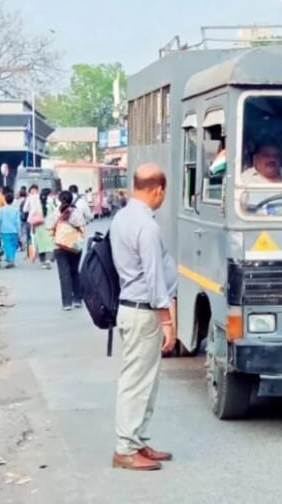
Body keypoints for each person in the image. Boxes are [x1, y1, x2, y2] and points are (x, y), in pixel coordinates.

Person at [110, 163, 177, 471]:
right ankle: (125, 448)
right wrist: (167, 321)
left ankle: (136, 440)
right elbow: (154, 277)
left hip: (130, 307)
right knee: (137, 383)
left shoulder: (122, 217)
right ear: (158, 190)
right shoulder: (147, 226)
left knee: (144, 381)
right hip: (143, 311)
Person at [52, 191, 86, 311]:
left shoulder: (55, 212)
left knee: (64, 274)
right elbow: (82, 226)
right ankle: (77, 299)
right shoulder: (77, 212)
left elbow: (50, 227)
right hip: (74, 245)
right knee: (74, 271)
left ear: (59, 199)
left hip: (59, 245)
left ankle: (67, 303)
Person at [0, 192, 21, 268]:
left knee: (7, 246)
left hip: (4, 231)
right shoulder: (16, 210)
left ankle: (10, 259)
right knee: (13, 246)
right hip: (14, 231)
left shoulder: (1, 209)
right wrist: (19, 231)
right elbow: (18, 222)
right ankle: (11, 259)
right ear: (13, 200)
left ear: (5, 200)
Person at [33, 188, 56, 269]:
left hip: (39, 227)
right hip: (49, 226)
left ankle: (42, 262)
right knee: (49, 244)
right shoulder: (51, 204)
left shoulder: (36, 204)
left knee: (40, 245)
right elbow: (55, 215)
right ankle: (48, 260)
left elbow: (32, 215)